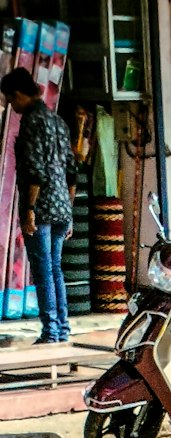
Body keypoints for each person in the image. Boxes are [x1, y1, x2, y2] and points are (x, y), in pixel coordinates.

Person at [0, 68, 76, 345]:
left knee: (43, 270)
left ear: (19, 95)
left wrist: (29, 209)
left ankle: (51, 331)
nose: (13, 107)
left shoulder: (32, 122)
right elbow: (71, 171)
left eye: (11, 101)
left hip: (41, 208)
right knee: (55, 269)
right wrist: (68, 210)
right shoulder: (57, 122)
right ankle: (62, 327)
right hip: (61, 208)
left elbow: (35, 172)